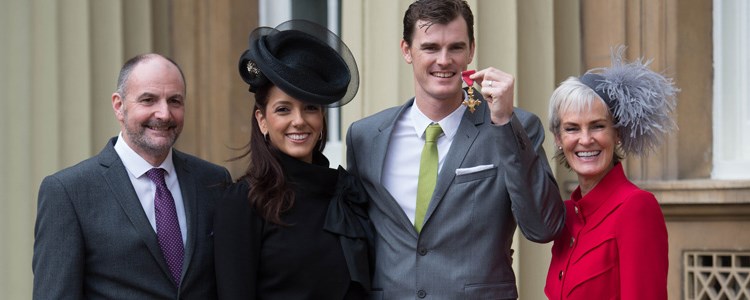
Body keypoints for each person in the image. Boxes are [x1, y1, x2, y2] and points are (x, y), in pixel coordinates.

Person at [345, 0, 566, 298]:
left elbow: (544, 227)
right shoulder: (365, 137)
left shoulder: (516, 126)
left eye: (456, 47)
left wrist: (503, 122)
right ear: (407, 50)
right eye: (431, 47)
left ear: (471, 50)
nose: (444, 60)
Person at [32, 53, 232, 299]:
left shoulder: (214, 181)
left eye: (175, 101)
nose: (164, 114)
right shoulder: (69, 191)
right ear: (119, 106)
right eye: (148, 100)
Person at [213, 19, 373, 299]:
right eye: (284, 109)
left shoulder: (346, 193)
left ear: (321, 117)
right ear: (262, 120)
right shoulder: (244, 202)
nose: (299, 121)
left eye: (310, 108)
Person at [544, 46, 676, 299]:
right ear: (558, 138)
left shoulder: (636, 207)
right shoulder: (566, 216)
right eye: (572, 129)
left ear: (617, 134)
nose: (585, 139)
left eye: (597, 126)